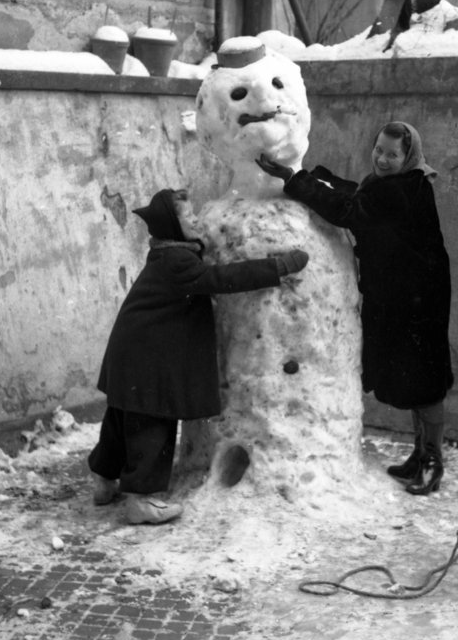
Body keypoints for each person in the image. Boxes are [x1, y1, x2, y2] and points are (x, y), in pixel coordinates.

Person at [88, 187, 309, 524]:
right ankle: (141, 500)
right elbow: (220, 279)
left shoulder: (167, 255)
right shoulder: (178, 261)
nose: (197, 221)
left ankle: (104, 480)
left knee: (121, 422)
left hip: (131, 354)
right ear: (173, 227)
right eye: (188, 217)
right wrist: (276, 267)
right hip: (148, 361)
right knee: (152, 426)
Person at [256, 121, 453, 495]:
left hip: (419, 297)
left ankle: (432, 461)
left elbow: (350, 209)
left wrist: (296, 179)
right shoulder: (401, 181)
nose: (382, 159)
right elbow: (361, 194)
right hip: (406, 292)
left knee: (426, 381)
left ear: (407, 157)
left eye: (392, 154)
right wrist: (316, 178)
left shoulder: (405, 188)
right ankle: (419, 454)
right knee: (417, 376)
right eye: (379, 149)